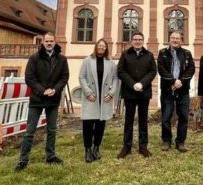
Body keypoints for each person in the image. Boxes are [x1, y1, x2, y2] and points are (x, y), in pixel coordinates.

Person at [15, 32, 69, 171]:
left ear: (55, 42)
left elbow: (64, 77)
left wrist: (55, 90)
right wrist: (42, 90)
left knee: (52, 130)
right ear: (43, 42)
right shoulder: (34, 58)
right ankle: (23, 160)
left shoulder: (62, 59)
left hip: (53, 99)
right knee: (30, 131)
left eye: (52, 41)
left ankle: (50, 156)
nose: (49, 43)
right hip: (37, 99)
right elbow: (30, 78)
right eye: (47, 41)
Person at [116, 31, 157, 159]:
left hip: (144, 93)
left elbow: (152, 72)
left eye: (140, 39)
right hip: (129, 93)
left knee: (143, 120)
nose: (137, 41)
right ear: (132, 41)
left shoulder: (149, 55)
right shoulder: (125, 54)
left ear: (142, 41)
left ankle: (143, 147)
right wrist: (133, 84)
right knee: (128, 120)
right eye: (135, 39)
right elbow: (120, 71)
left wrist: (142, 84)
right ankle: (126, 147)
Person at [78, 39, 117, 162]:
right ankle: (88, 149)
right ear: (96, 47)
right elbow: (81, 77)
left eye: (104, 46)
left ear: (106, 49)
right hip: (91, 97)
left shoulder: (110, 62)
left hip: (104, 97)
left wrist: (111, 93)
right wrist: (88, 92)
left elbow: (116, 79)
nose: (101, 48)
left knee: (100, 125)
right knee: (88, 125)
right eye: (99, 46)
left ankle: (96, 148)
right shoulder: (87, 61)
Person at [157, 31, 195, 152]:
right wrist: (173, 81)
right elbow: (161, 69)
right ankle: (166, 140)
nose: (175, 40)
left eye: (177, 38)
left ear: (181, 40)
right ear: (169, 39)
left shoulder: (187, 53)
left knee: (183, 117)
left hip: (183, 90)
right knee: (166, 116)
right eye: (173, 38)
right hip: (167, 90)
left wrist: (180, 82)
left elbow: (191, 69)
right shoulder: (162, 53)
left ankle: (180, 142)